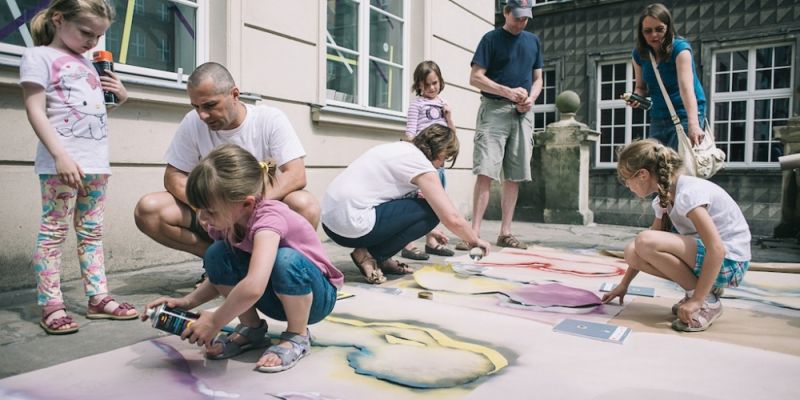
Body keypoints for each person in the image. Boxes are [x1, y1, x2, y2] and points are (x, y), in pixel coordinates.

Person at [142, 143, 343, 372]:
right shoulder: (226, 221)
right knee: (216, 254)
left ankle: (297, 335)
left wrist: (216, 320)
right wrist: (187, 302)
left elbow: (254, 285)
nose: (204, 219)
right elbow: (220, 275)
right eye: (200, 210)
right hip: (275, 294)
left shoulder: (268, 219)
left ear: (246, 203)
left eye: (210, 211)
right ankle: (252, 330)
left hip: (315, 298)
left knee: (284, 259)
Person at [134, 62, 319, 284]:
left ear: (235, 94)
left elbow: (296, 174)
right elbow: (173, 176)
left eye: (209, 105)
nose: (202, 115)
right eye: (196, 107)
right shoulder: (193, 122)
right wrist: (204, 206)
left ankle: (275, 268)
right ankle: (221, 261)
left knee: (304, 204)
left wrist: (240, 207)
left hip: (258, 212)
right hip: (214, 215)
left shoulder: (269, 119)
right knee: (148, 210)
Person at [20, 0, 139, 335]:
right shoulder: (38, 56)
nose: (93, 42)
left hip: (96, 163)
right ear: (59, 19)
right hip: (62, 163)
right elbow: (35, 109)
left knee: (91, 232)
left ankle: (97, 297)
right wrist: (59, 155)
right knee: (54, 232)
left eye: (99, 36)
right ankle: (51, 303)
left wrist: (120, 97)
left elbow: (86, 115)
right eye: (86, 32)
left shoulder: (88, 63)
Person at [601, 139, 751, 332]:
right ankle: (702, 292)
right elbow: (642, 249)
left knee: (644, 240)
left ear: (643, 175)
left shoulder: (688, 194)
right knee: (633, 252)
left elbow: (717, 249)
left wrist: (697, 299)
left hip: (731, 263)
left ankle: (706, 301)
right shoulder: (664, 200)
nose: (627, 185)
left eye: (625, 178)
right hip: (714, 261)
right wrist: (624, 284)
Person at [322, 124, 492, 284]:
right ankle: (368, 255)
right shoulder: (421, 164)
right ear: (440, 151)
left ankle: (382, 259)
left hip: (331, 222)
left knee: (425, 209)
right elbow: (451, 217)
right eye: (445, 159)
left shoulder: (400, 148)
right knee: (432, 211)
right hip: (351, 222)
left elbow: (385, 198)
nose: (442, 165)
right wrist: (474, 240)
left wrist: (428, 230)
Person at [460, 0, 543, 251]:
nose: (522, 22)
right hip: (494, 110)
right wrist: (506, 92)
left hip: (522, 114)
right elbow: (475, 77)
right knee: (485, 171)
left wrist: (531, 99)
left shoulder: (533, 41)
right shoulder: (491, 39)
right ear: (506, 12)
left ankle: (505, 232)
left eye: (526, 18)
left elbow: (538, 79)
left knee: (515, 175)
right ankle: (473, 234)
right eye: (517, 17)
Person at [624, 3, 707, 150]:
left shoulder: (680, 50)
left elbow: (687, 89)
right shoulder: (639, 54)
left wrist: (694, 124)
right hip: (658, 117)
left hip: (685, 115)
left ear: (668, 27)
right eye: (648, 31)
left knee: (681, 166)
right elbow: (641, 87)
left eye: (659, 29)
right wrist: (636, 97)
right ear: (641, 33)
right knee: (656, 166)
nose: (654, 35)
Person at [400, 60, 456, 261]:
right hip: (422, 163)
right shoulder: (417, 105)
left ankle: (432, 241)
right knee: (416, 201)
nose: (432, 88)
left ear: (440, 82)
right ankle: (407, 243)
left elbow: (451, 137)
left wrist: (449, 117)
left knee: (436, 202)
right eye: (427, 84)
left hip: (438, 164)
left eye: (435, 83)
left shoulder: (443, 105)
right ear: (419, 85)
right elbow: (410, 133)